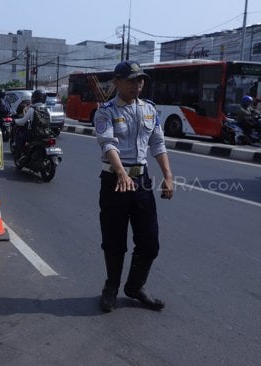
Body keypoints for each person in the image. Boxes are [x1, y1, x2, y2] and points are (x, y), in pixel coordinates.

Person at [94, 60, 174, 313]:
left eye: (140, 80)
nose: (137, 85)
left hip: (141, 182)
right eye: (131, 80)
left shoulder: (149, 110)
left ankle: (135, 287)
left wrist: (168, 176)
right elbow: (108, 144)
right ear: (116, 82)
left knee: (149, 242)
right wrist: (121, 173)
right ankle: (111, 287)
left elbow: (158, 144)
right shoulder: (105, 111)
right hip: (114, 182)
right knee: (114, 240)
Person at [13, 88, 51, 157]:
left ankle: (22, 154)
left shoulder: (32, 109)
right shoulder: (47, 109)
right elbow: (50, 121)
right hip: (46, 134)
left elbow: (23, 121)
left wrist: (15, 121)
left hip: (34, 134)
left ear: (34, 98)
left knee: (20, 136)